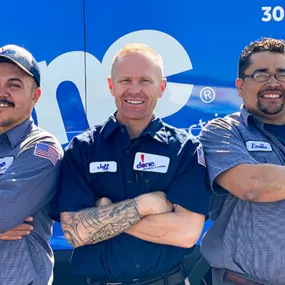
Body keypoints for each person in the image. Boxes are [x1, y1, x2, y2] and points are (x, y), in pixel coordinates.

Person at [57, 43, 210, 285]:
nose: (134, 90)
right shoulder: (83, 149)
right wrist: (144, 205)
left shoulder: (184, 149)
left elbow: (186, 233)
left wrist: (104, 214)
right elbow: (76, 232)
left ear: (161, 87)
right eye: (125, 80)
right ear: (111, 86)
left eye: (146, 81)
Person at [199, 37, 285, 285]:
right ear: (239, 85)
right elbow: (252, 186)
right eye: (260, 75)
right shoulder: (223, 131)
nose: (273, 83)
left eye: (281, 74)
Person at [0, 44, 63, 285]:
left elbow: (3, 213)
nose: (2, 93)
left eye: (14, 85)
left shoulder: (41, 148)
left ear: (35, 96)